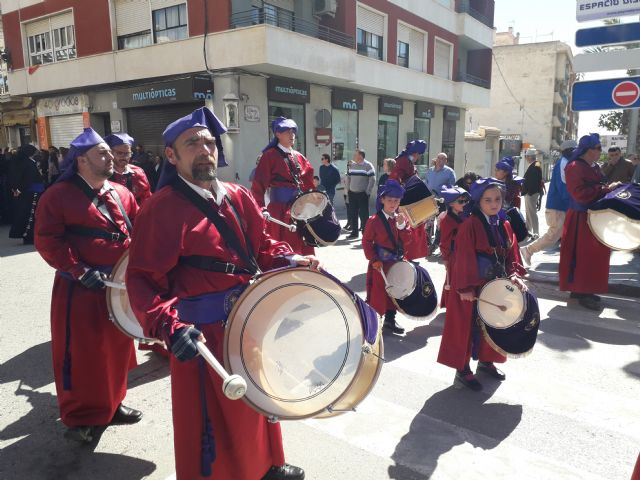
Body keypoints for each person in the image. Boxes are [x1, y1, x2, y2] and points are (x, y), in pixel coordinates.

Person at [125, 107, 312, 480]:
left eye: (209, 141)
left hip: (246, 319)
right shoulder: (160, 209)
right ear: (172, 155)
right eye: (191, 143)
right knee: (214, 418)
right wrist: (170, 328)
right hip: (199, 334)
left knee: (256, 401)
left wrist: (291, 258)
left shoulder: (238, 196)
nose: (204, 149)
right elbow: (143, 280)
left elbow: (262, 247)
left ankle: (265, 465)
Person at [34, 128, 141, 444]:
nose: (112, 157)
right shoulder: (58, 195)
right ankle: (81, 418)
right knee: (82, 355)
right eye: (103, 153)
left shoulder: (122, 193)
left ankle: (112, 404)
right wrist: (78, 269)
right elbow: (47, 241)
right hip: (79, 289)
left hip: (117, 287)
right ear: (81, 160)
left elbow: (139, 232)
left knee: (117, 349)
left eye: (110, 152)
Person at [440, 178, 527, 391]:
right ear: (478, 201)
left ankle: (486, 362)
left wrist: (514, 274)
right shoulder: (469, 225)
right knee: (467, 328)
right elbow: (463, 257)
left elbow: (511, 252)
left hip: (496, 284)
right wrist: (465, 288)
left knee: (494, 324)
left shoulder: (504, 223)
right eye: (488, 200)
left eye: (497, 199)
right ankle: (463, 369)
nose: (494, 204)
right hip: (473, 285)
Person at [559, 134, 619, 311]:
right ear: (588, 149)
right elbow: (579, 193)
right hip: (581, 218)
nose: (600, 152)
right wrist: (607, 188)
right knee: (583, 256)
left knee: (592, 257)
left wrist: (610, 187)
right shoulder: (574, 166)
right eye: (598, 148)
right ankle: (582, 291)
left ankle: (582, 290)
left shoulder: (593, 167)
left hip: (593, 216)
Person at [252, 116, 315, 255]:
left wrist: (312, 204)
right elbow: (258, 186)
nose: (292, 135)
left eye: (293, 131)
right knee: (282, 250)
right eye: (287, 131)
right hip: (279, 211)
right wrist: (261, 209)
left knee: (304, 246)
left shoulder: (300, 157)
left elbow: (309, 185)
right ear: (277, 134)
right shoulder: (269, 156)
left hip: (300, 210)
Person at [362, 179, 412, 335]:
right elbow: (367, 241)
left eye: (396, 200)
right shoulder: (374, 221)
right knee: (378, 293)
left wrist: (402, 227)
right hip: (380, 263)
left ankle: (390, 320)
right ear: (382, 200)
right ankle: (374, 323)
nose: (393, 203)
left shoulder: (401, 219)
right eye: (389, 200)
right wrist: (374, 259)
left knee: (394, 292)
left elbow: (407, 241)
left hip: (396, 262)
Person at [520, 140, 576, 265]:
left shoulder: (539, 164)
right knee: (552, 236)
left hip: (557, 205)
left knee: (559, 234)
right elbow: (563, 188)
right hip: (558, 206)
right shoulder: (563, 163)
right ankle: (529, 249)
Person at [389, 140, 429, 260]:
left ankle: (409, 255)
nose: (419, 157)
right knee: (405, 229)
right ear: (415, 152)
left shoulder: (407, 161)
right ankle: (405, 255)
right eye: (419, 154)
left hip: (409, 200)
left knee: (413, 228)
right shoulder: (403, 161)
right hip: (403, 201)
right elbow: (395, 180)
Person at [437, 185, 470, 309]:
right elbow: (444, 241)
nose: (464, 203)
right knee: (453, 279)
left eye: (465, 201)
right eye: (461, 201)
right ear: (451, 204)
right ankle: (452, 304)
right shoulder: (447, 220)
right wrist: (445, 257)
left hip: (462, 253)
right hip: (453, 255)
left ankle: (452, 302)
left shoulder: (462, 216)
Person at [8, 145, 45, 244]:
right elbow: (29, 179)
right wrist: (19, 189)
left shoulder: (19, 162)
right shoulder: (29, 163)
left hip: (25, 191)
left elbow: (13, 176)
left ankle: (27, 235)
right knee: (31, 214)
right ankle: (29, 235)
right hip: (32, 192)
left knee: (25, 213)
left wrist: (15, 189)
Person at [104, 133, 152, 206]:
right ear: (111, 153)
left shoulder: (138, 172)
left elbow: (147, 197)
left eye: (127, 153)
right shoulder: (103, 173)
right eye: (120, 153)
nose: (124, 157)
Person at [345, 149, 375, 239]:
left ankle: (365, 233)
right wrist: (348, 189)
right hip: (352, 193)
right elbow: (348, 177)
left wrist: (367, 192)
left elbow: (372, 179)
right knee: (353, 213)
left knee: (364, 215)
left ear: (361, 156)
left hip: (363, 194)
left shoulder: (368, 166)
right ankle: (354, 232)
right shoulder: (352, 165)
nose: (354, 157)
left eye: (356, 155)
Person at [522, 148, 543, 238]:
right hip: (530, 193)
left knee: (532, 213)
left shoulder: (535, 166)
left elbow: (533, 181)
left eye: (526, 157)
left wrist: (529, 193)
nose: (526, 158)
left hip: (531, 193)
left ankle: (535, 232)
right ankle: (528, 230)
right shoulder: (535, 165)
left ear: (530, 157)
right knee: (529, 213)